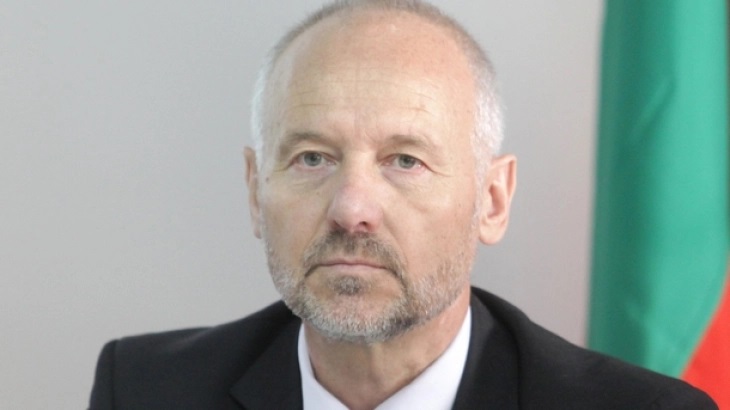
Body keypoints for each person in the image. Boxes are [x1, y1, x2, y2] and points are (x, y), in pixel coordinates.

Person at [88, 1, 717, 409]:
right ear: (256, 191)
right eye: (312, 158)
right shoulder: (144, 391)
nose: (351, 208)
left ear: (492, 200)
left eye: (405, 160)